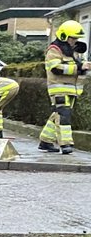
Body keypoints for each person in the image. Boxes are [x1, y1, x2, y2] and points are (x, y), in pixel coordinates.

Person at [38, 20, 87, 154]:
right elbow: (56, 68)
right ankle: (66, 144)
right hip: (58, 89)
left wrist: (83, 68)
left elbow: (76, 69)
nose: (75, 41)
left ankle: (45, 141)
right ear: (65, 36)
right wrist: (78, 67)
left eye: (76, 38)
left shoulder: (72, 52)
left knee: (57, 115)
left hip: (71, 90)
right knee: (64, 116)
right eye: (73, 38)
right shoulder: (54, 50)